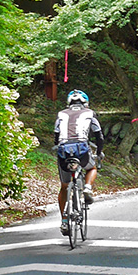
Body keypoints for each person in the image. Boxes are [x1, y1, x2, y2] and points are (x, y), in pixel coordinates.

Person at [54, 88, 104, 235]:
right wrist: (99, 152)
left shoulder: (61, 115)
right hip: (81, 148)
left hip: (63, 150)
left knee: (64, 187)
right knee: (92, 168)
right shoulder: (90, 114)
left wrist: (58, 144)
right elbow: (99, 135)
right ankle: (87, 187)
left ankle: (64, 221)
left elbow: (56, 135)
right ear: (85, 103)